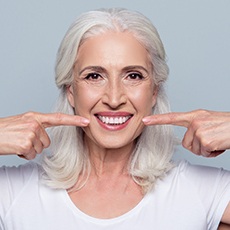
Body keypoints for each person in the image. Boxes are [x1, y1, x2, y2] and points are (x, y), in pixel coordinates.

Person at [0, 8, 230, 230]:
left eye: (133, 76)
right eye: (94, 76)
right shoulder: (11, 193)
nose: (113, 98)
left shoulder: (200, 192)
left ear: (154, 91)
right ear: (70, 90)